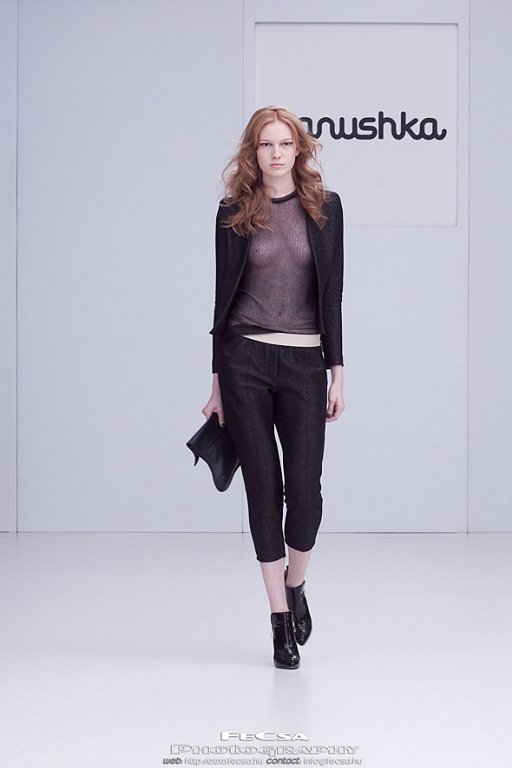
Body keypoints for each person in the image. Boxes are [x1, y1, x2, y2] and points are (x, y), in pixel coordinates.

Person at [202, 105, 345, 669]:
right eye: (266, 144)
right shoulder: (233, 212)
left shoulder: (326, 208)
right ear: (253, 152)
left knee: (305, 493)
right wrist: (216, 381)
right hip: (245, 362)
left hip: (305, 363)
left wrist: (337, 370)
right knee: (263, 489)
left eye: (285, 143)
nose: (276, 153)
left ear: (299, 149)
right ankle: (279, 618)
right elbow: (221, 301)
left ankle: (296, 582)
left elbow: (332, 295)